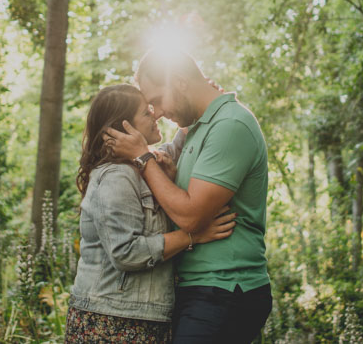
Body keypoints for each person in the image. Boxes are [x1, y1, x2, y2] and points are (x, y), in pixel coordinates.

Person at [107, 50, 271, 343]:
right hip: (202, 289)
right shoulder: (196, 129)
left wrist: (142, 158)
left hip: (225, 290)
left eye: (156, 100)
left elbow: (191, 216)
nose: (154, 111)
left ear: (180, 82)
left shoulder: (230, 125)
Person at [65, 84, 237, 344]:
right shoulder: (116, 176)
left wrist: (200, 93)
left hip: (142, 318)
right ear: (125, 129)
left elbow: (184, 140)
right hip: (109, 320)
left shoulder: (148, 164)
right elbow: (126, 252)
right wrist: (192, 236)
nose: (155, 114)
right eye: (146, 112)